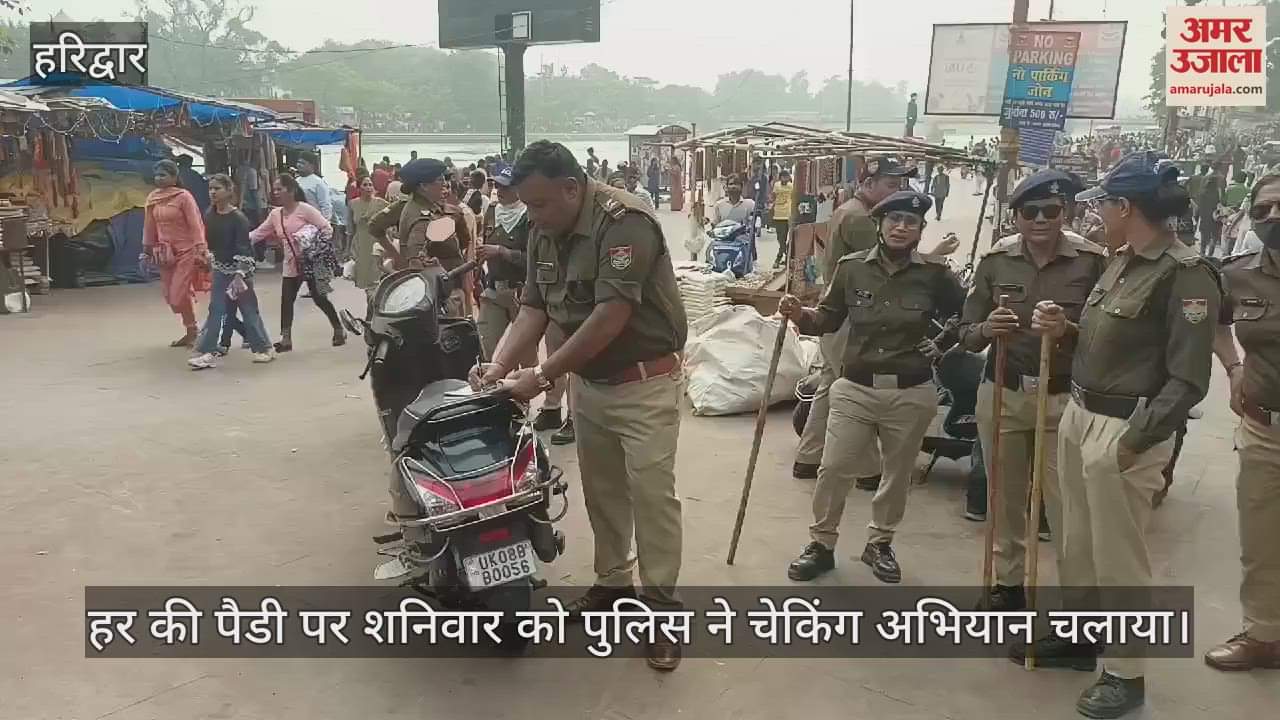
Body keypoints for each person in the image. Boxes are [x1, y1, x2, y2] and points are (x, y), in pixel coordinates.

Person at [472, 141, 687, 671]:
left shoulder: (624, 222)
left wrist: (543, 374)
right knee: (604, 492)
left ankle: (661, 608)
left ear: (572, 187)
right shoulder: (546, 227)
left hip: (644, 385)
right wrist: (498, 365)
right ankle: (614, 585)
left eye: (541, 204)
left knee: (652, 498)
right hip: (591, 386)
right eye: (528, 205)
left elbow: (610, 315)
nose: (534, 216)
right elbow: (534, 309)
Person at [1027, 152, 1222, 718]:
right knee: (1077, 543)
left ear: (1126, 207)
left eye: (1104, 206)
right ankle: (1082, 636)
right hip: (1082, 414)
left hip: (1124, 427)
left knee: (1119, 555)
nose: (1095, 217)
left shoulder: (1186, 274)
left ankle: (1126, 671)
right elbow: (1105, 336)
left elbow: (1188, 378)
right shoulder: (1122, 262)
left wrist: (1135, 442)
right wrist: (1064, 328)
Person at [780, 190, 964, 584]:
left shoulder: (935, 275)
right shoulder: (851, 269)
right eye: (893, 220)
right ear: (879, 225)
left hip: (911, 391)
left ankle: (880, 543)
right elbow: (827, 320)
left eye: (910, 222)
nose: (901, 227)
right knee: (833, 468)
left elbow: (968, 316)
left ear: (920, 230)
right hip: (855, 388)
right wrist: (800, 315)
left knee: (896, 474)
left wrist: (943, 343)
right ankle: (821, 544)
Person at [958, 170, 1107, 611]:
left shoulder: (1093, 262)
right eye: (1030, 211)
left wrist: (1068, 330)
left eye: (1052, 211)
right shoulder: (995, 261)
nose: (1041, 220)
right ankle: (1008, 585)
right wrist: (987, 328)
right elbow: (966, 333)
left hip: (1065, 400)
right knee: (1003, 498)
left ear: (1067, 212)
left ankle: (1077, 607)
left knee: (1069, 508)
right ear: (1017, 217)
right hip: (1004, 392)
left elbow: (1109, 337)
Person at [792, 159, 916, 484]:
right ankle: (869, 471)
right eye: (890, 185)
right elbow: (885, 267)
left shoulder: (849, 209)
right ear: (868, 184)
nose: (896, 193)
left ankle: (808, 456)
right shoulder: (861, 218)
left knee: (830, 386)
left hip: (838, 313)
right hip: (848, 317)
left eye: (900, 186)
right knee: (857, 389)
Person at [1204, 172, 1280, 671]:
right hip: (1263, 429)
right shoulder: (1237, 274)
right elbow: (1215, 320)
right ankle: (1264, 635)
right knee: (1262, 540)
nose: (1274, 219)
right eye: (1263, 210)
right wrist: (1233, 368)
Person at [187, 174, 275, 370]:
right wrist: (207, 256)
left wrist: (239, 275)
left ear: (229, 191)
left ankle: (264, 348)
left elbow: (245, 249)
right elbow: (210, 242)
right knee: (215, 310)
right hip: (220, 270)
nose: (212, 192)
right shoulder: (210, 214)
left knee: (249, 310)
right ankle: (207, 351)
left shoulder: (238, 219)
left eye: (217, 188)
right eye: (210, 188)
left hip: (239, 273)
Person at [249, 173, 345, 351]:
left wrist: (311, 246)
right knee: (286, 300)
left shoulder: (305, 209)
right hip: (290, 264)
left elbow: (327, 229)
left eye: (280, 189)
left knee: (319, 298)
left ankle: (338, 329)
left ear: (291, 190)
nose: (276, 192)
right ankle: (286, 339)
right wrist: (238, 241)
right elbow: (258, 234)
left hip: (309, 263)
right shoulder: (275, 214)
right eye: (275, 189)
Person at [367, 158, 474, 315]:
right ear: (423, 186)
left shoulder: (429, 208)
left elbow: (464, 244)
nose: (445, 183)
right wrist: (398, 257)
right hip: (438, 296)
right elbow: (416, 262)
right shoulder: (420, 218)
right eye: (440, 180)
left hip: (442, 287)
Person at [141, 160, 208, 348]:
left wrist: (200, 247)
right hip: (164, 254)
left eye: (163, 175)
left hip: (186, 251)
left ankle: (194, 329)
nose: (159, 179)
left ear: (174, 177)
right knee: (171, 297)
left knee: (179, 295)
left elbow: (195, 223)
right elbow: (149, 225)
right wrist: (147, 249)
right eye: (157, 175)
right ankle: (191, 330)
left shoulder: (184, 196)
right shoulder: (153, 198)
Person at [475, 164, 536, 367]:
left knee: (525, 355)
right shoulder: (492, 211)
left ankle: (524, 397)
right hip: (494, 289)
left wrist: (502, 251)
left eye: (506, 188)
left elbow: (534, 260)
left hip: (521, 293)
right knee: (482, 346)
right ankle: (483, 393)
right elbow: (484, 246)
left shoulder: (530, 217)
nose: (500, 192)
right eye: (497, 187)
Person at [349, 175, 389, 292]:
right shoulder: (352, 204)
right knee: (364, 281)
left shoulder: (381, 203)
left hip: (376, 242)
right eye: (365, 185)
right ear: (359, 187)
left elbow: (393, 217)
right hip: (360, 244)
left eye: (370, 184)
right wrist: (348, 248)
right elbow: (350, 228)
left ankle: (375, 304)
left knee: (376, 278)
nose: (368, 187)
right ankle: (370, 304)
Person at [294, 151, 333, 222]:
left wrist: (324, 224)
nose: (299, 165)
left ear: (312, 165)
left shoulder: (318, 182)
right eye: (298, 162)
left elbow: (325, 206)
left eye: (302, 163)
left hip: (315, 222)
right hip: (299, 221)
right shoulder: (296, 181)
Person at [1199, 165, 1224, 256]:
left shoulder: (1203, 193)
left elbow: (1200, 206)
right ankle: (1210, 254)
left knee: (1204, 237)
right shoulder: (1218, 193)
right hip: (1215, 217)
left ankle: (1202, 252)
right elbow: (1221, 203)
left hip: (1205, 217)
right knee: (1214, 237)